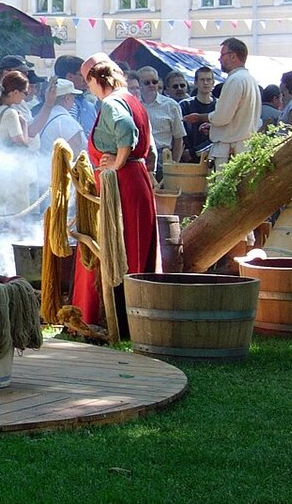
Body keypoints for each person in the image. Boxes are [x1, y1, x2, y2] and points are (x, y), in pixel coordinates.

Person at [73, 53, 157, 332]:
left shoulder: (112, 102)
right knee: (134, 245)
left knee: (115, 246)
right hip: (136, 181)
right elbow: (148, 147)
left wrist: (117, 162)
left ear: (96, 79)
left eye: (89, 84)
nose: (90, 91)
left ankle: (110, 315)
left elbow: (125, 129)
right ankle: (134, 314)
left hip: (120, 185)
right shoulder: (134, 99)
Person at [183, 38, 261, 169]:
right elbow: (233, 119)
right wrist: (214, 127)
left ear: (233, 56)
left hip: (231, 152)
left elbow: (222, 117)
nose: (220, 59)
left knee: (225, 189)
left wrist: (200, 117)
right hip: (243, 148)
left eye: (222, 55)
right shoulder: (250, 79)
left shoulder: (235, 80)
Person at [0, 70, 35, 219]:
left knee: (1, 214)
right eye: (24, 92)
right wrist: (23, 125)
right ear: (14, 92)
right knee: (17, 217)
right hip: (13, 173)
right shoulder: (10, 113)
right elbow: (20, 143)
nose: (26, 95)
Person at [136, 66, 185, 173]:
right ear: (139, 84)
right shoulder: (133, 104)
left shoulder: (171, 105)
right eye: (147, 83)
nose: (151, 85)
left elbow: (179, 138)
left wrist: (174, 164)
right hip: (140, 157)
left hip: (164, 157)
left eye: (154, 82)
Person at [37, 78, 87, 156]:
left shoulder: (40, 117)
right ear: (67, 98)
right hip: (56, 167)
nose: (74, 100)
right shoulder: (67, 121)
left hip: (41, 165)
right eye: (73, 96)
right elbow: (78, 154)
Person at [180, 65, 217, 162]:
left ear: (213, 83)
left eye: (208, 80)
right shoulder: (185, 105)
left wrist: (194, 151)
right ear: (195, 82)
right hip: (187, 158)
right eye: (202, 80)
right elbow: (180, 131)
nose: (205, 83)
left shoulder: (220, 106)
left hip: (213, 156)